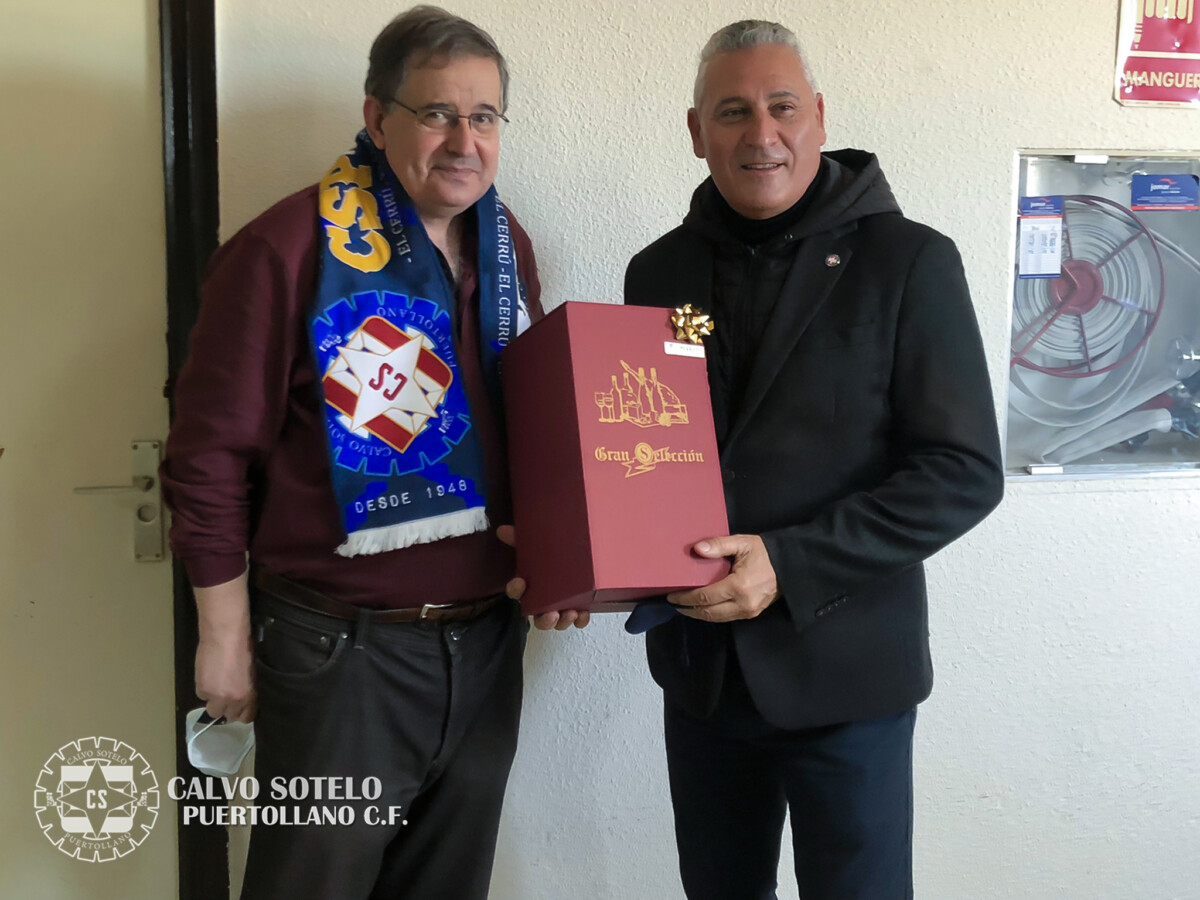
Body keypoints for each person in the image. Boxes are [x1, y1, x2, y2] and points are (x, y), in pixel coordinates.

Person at [161, 8, 583, 899]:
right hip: (337, 654)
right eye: (436, 114)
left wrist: (567, 564)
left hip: (485, 645)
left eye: (484, 117)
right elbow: (208, 458)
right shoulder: (282, 250)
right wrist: (222, 639)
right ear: (377, 118)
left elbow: (530, 431)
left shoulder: (505, 248)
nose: (464, 142)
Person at [624, 19, 1005, 900]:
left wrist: (789, 564)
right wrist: (585, 560)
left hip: (850, 680)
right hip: (703, 676)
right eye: (732, 112)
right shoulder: (658, 274)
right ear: (696, 132)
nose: (761, 134)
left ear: (820, 117)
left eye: (782, 106)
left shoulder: (911, 262)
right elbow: (642, 452)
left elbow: (962, 470)